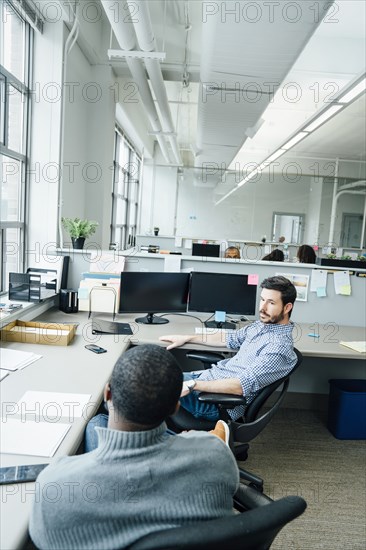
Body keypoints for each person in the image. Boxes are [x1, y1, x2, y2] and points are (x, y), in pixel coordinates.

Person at [29, 345, 239, 550]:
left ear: (107, 394)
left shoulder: (54, 484)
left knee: (95, 424)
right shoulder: (217, 455)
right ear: (176, 406)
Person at [160, 276, 297, 423]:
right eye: (262, 299)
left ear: (287, 307)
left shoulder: (278, 349)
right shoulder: (262, 326)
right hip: (206, 380)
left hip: (216, 403)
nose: (262, 308)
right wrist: (189, 337)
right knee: (154, 378)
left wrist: (193, 385)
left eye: (271, 303)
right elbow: (229, 338)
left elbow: (240, 386)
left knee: (147, 389)